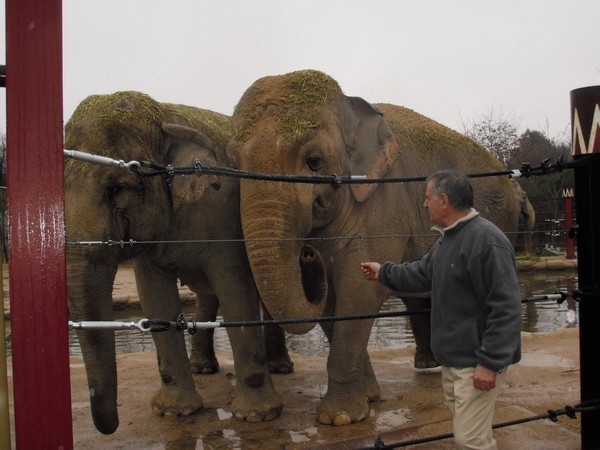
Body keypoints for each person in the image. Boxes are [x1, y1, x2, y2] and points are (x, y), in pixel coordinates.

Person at [360, 169, 521, 450]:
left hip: (476, 362)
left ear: (443, 201)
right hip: (455, 361)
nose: (424, 204)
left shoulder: (486, 242)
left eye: (427, 198)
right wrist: (383, 272)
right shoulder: (448, 238)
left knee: (470, 440)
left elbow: (506, 308)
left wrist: (490, 362)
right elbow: (422, 273)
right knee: (473, 436)